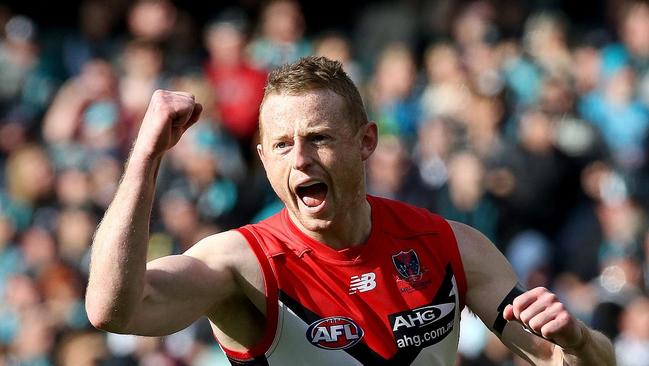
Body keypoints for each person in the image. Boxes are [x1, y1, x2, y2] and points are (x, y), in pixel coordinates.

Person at [85, 56, 615, 365]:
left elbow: (567, 362)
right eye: (284, 144)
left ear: (365, 142)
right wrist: (146, 158)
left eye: (318, 138)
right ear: (263, 157)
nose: (301, 159)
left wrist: (576, 340)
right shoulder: (242, 263)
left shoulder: (450, 244)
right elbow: (113, 310)